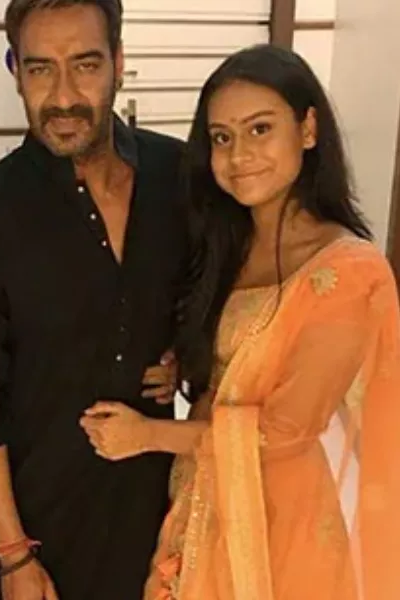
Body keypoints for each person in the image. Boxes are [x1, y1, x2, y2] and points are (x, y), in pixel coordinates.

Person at [80, 45, 400, 599]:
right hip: (209, 497)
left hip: (284, 519)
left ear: (308, 129)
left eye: (260, 129)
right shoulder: (228, 245)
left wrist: (147, 435)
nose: (239, 155)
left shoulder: (348, 272)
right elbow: (240, 358)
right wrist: (184, 362)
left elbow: (286, 430)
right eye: (222, 138)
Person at [0, 0, 186, 598]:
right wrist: (14, 556)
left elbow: (220, 302)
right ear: (15, 71)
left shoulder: (177, 176)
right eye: (41, 68)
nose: (63, 95)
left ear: (118, 61)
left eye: (86, 65)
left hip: (153, 517)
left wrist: (184, 353)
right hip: (35, 531)